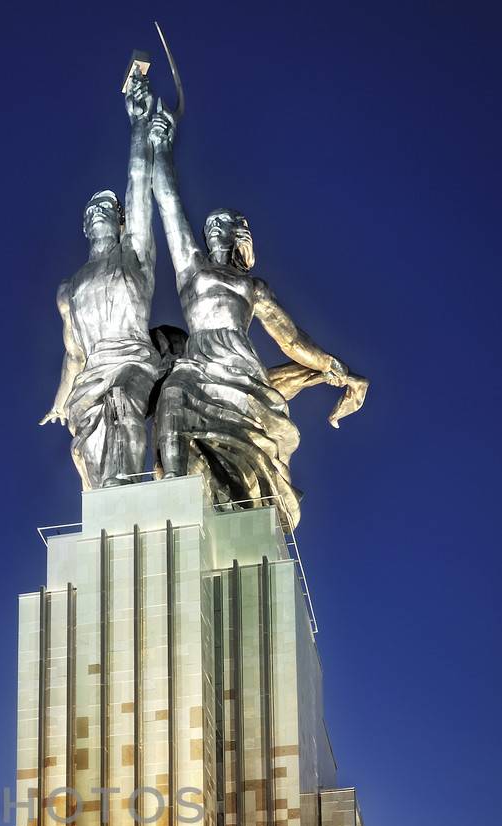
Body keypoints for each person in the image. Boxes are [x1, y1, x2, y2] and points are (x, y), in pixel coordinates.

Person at [146, 102, 366, 530]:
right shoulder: (192, 267)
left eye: (222, 224)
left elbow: (290, 338)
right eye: (209, 224)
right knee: (172, 395)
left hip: (240, 368)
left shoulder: (253, 287)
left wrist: (330, 365)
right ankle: (170, 490)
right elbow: (169, 205)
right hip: (200, 361)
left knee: (245, 446)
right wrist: (159, 146)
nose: (212, 228)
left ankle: (235, 501)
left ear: (237, 235)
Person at [40, 69, 166, 489]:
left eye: (108, 207)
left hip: (131, 361)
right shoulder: (68, 288)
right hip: (90, 373)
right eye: (93, 208)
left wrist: (138, 124)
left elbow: (137, 182)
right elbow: (74, 351)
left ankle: (123, 487)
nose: (100, 210)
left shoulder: (135, 255)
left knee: (122, 403)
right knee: (86, 448)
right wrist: (60, 398)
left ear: (121, 221)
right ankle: (108, 504)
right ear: (83, 225)